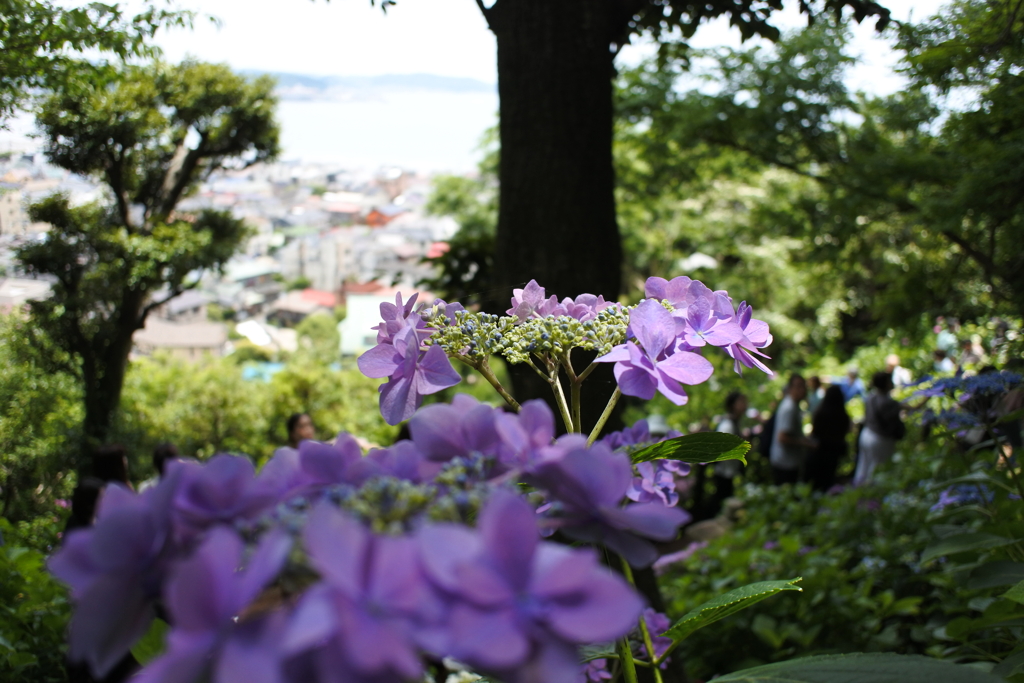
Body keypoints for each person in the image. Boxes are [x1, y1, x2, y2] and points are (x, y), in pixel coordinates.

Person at [854, 372, 906, 486]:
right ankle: (872, 499)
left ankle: (858, 493)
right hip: (880, 439)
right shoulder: (887, 402)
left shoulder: (870, 397)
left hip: (866, 434)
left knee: (864, 466)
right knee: (877, 471)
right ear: (887, 383)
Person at [770, 374, 816, 485]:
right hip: (785, 464)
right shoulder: (789, 408)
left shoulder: (792, 405)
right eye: (798, 386)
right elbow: (782, 437)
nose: (802, 390)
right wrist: (804, 443)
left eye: (803, 386)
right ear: (790, 388)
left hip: (786, 462)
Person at [805, 385, 851, 491]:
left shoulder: (820, 413)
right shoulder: (843, 416)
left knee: (814, 483)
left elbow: (814, 433)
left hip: (819, 452)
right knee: (827, 481)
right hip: (833, 454)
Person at [711, 391, 748, 511]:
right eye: (742, 401)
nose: (745, 404)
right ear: (733, 405)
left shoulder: (734, 422)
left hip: (729, 472)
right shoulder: (727, 425)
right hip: (724, 473)